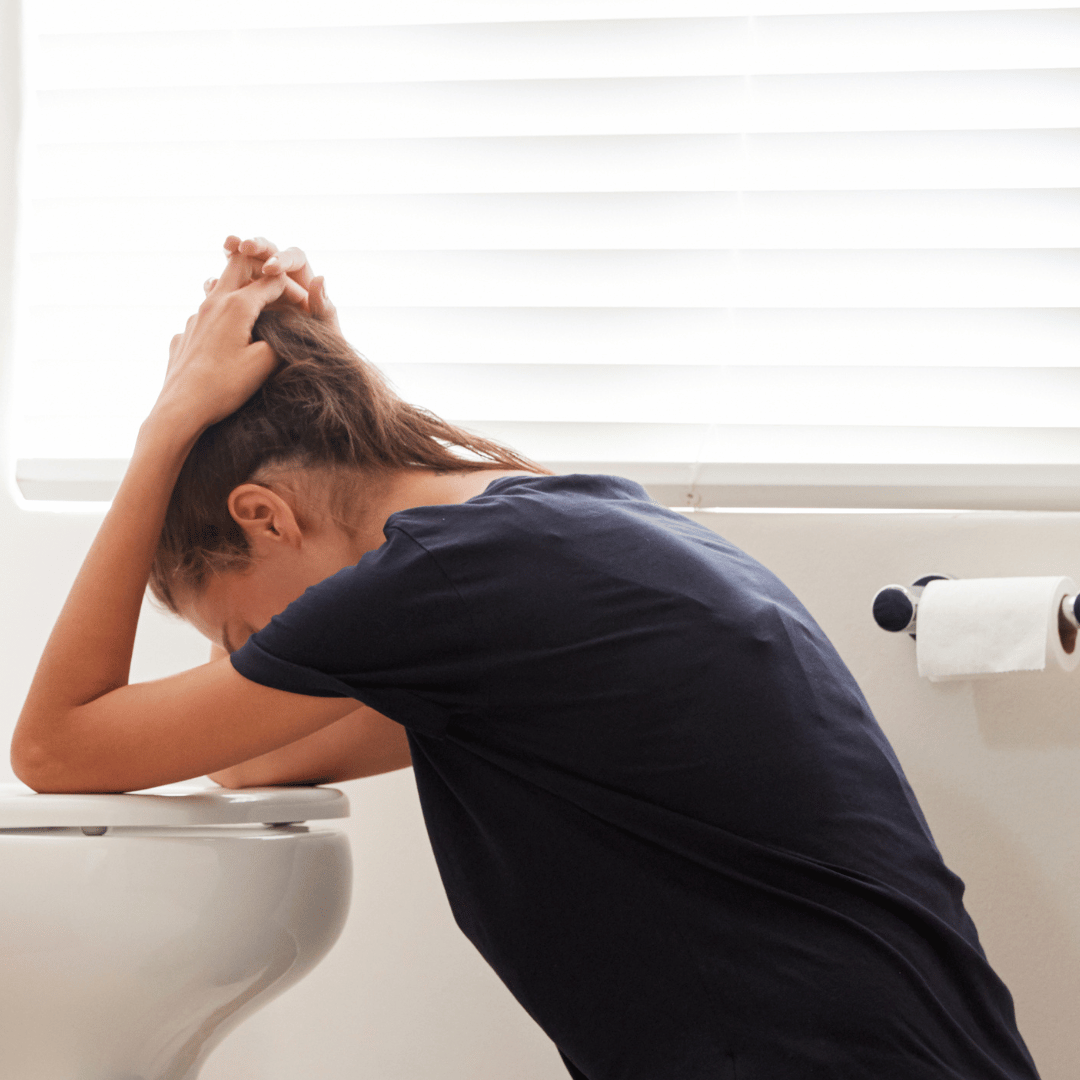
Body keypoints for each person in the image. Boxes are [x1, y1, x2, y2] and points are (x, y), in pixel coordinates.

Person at [11, 237, 1040, 1080]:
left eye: (235, 634)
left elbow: (55, 748)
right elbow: (253, 756)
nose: (255, 660)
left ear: (264, 517)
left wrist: (164, 433)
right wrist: (300, 364)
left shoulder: (435, 585)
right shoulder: (557, 530)